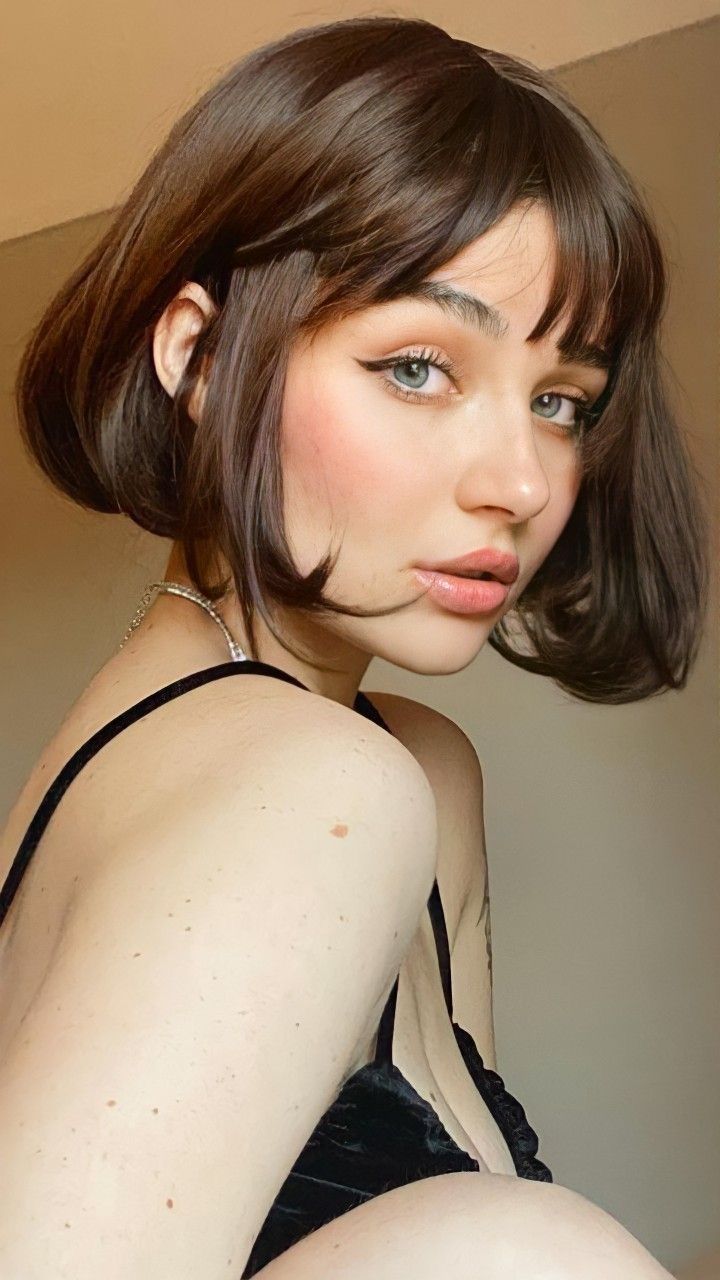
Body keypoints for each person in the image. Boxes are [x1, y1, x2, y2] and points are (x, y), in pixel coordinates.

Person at [0, 15, 709, 1280]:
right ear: (201, 359)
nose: (520, 481)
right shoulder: (305, 787)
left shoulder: (415, 770)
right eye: (422, 366)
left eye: (561, 402)